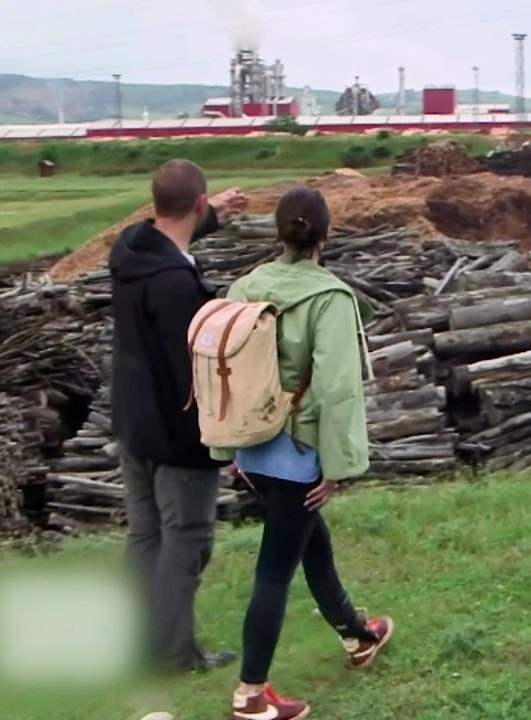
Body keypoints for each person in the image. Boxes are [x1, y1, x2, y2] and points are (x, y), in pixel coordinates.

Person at [211, 188, 393, 720]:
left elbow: (223, 370)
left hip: (254, 449)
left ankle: (359, 636)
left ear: (279, 233)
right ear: (326, 235)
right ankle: (250, 694)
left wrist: (229, 448)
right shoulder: (329, 299)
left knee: (314, 547)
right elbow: (338, 390)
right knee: (274, 570)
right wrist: (335, 469)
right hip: (298, 454)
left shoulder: (244, 285)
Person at [109, 158, 249, 674]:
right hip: (175, 435)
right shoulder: (174, 286)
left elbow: (172, 233)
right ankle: (172, 654)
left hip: (133, 423)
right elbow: (192, 375)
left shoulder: (129, 249)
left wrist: (214, 212)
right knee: (186, 539)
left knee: (145, 537)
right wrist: (224, 438)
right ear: (195, 202)